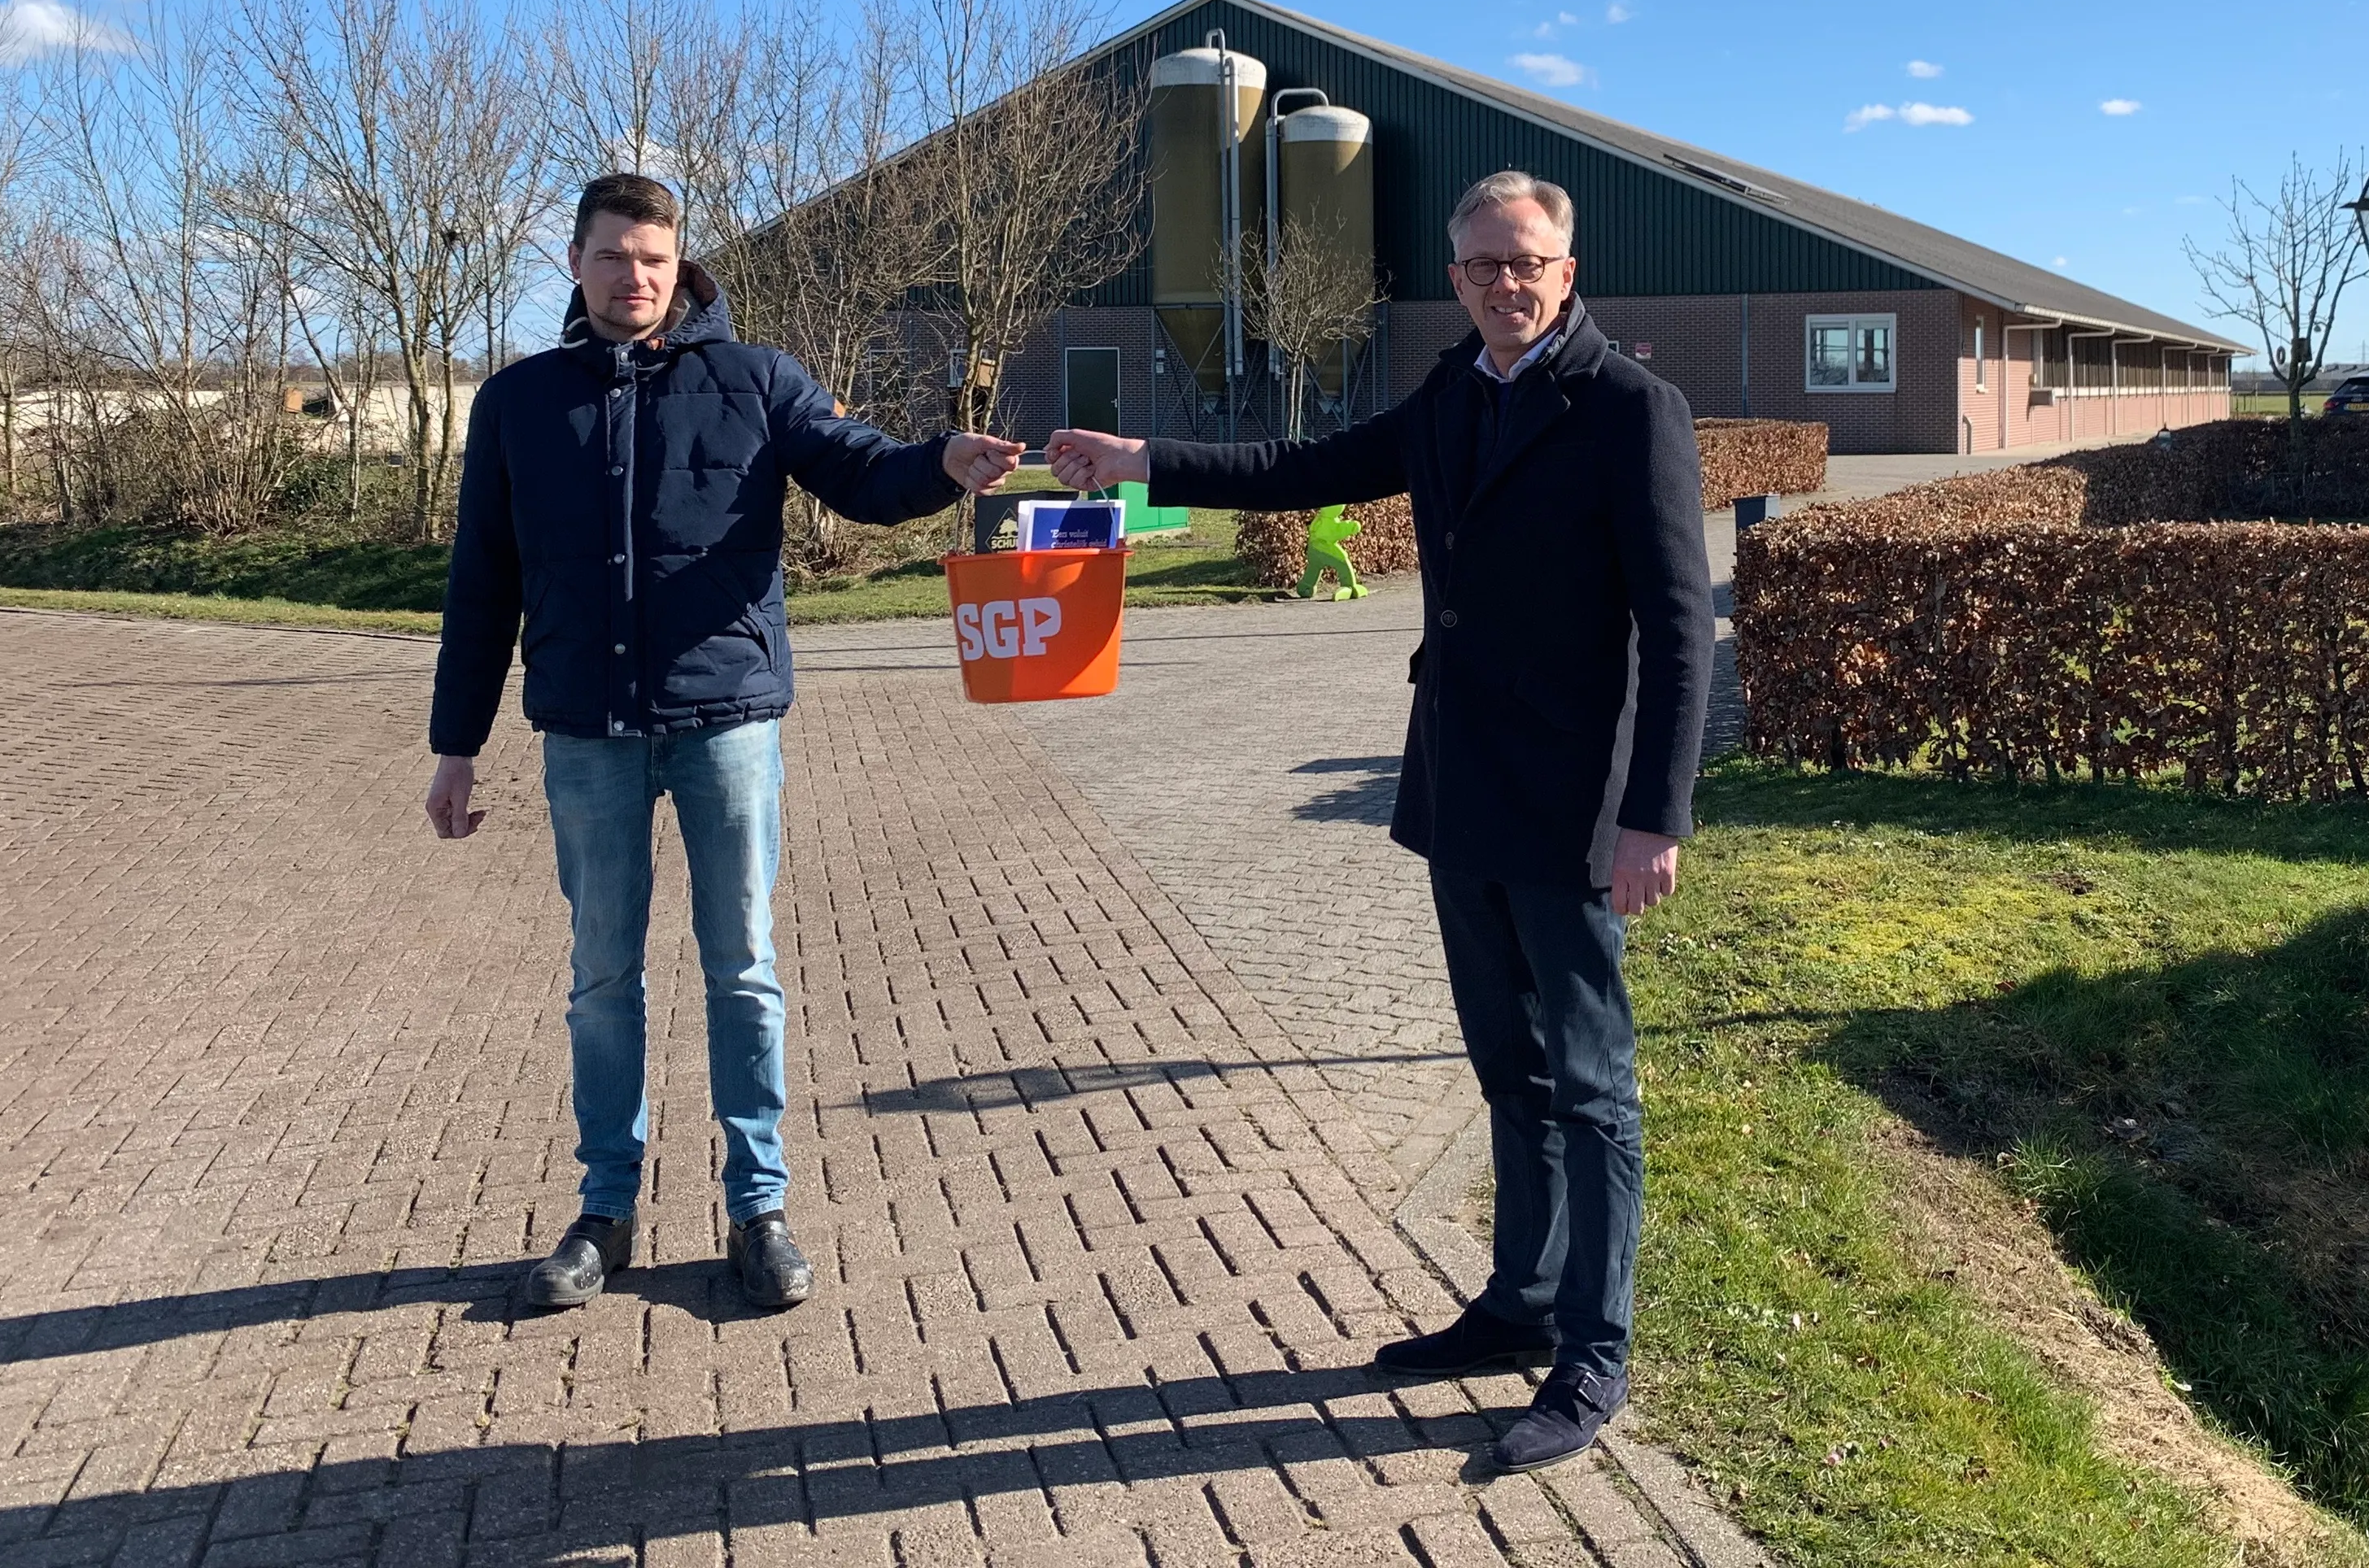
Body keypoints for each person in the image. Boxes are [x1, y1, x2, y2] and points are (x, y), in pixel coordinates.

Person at [1045, 170, 1712, 1472]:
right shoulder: (1452, 392)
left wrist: (1654, 815)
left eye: (1526, 263)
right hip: (1461, 789)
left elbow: (1680, 631)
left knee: (1591, 1088)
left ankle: (1594, 1351)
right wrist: (1142, 460)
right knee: (1507, 1069)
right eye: (1482, 266)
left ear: (1567, 271)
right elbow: (1304, 467)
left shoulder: (1632, 410)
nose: (1505, 285)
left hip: (1574, 805)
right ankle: (1521, 1302)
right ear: (1454, 279)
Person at [425, 172, 1023, 1314]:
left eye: (653, 259)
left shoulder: (756, 379)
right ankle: (605, 1210)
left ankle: (760, 1209)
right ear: (575, 263)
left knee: (741, 966)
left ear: (681, 266)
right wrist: (457, 745)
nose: (634, 276)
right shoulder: (516, 403)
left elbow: (857, 468)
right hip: (587, 732)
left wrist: (940, 457)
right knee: (603, 975)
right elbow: (480, 584)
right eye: (613, 256)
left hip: (725, 722)